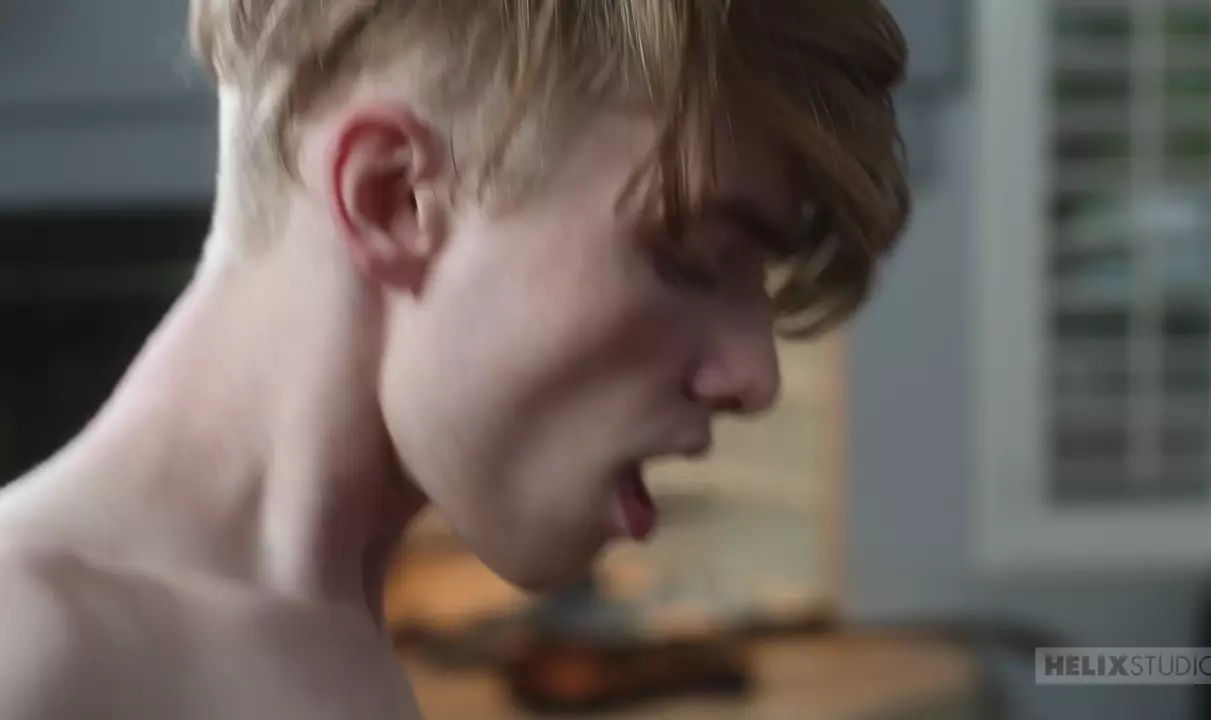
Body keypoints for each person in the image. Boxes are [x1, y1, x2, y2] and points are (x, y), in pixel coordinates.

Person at [0, 1, 910, 717]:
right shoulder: (31, 654)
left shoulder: (326, 639)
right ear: (393, 197)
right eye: (695, 259)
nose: (757, 377)